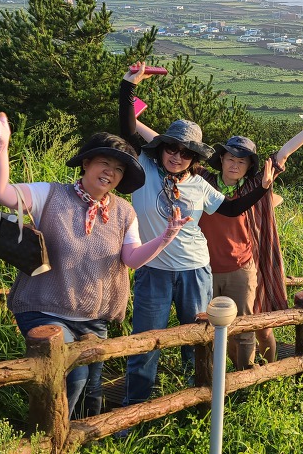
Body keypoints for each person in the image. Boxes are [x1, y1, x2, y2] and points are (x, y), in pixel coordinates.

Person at [0, 100, 188, 418]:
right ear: (86, 163)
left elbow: (132, 259)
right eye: (104, 163)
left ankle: (81, 436)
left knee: (92, 392)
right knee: (74, 376)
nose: (110, 172)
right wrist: (1, 143)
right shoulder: (50, 195)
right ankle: (49, 437)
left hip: (94, 317)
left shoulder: (123, 212)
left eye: (118, 169)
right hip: (44, 309)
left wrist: (165, 238)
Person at [117, 64, 277, 408]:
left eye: (186, 153)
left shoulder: (200, 185)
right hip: (153, 270)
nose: (177, 157)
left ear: (195, 158)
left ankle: (198, 401)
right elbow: (128, 129)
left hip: (195, 271)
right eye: (172, 149)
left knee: (198, 341)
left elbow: (231, 209)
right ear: (161, 148)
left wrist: (263, 188)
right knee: (146, 342)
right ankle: (135, 407)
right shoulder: (145, 169)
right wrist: (128, 87)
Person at [198, 111, 303, 368]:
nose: (235, 165)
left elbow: (282, 154)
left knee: (247, 328)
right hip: (206, 270)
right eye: (230, 158)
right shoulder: (204, 182)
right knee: (218, 330)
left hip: (241, 267)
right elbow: (175, 150)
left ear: (249, 166)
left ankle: (256, 375)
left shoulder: (253, 186)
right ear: (222, 160)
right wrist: (135, 112)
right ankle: (234, 375)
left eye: (241, 161)